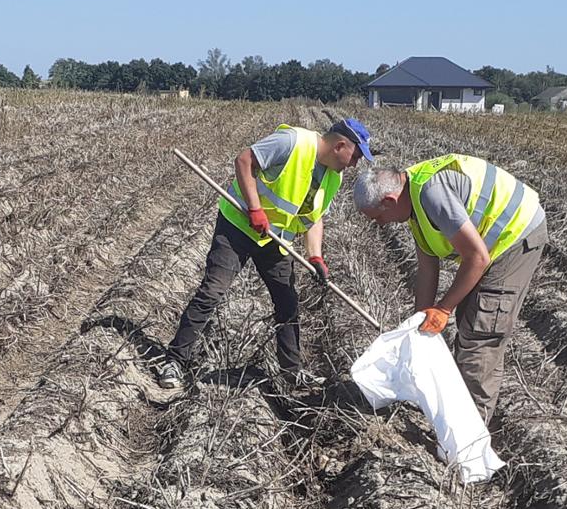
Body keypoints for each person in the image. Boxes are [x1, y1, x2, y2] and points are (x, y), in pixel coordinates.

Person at [155, 118, 374, 390]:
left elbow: (315, 219)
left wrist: (315, 256)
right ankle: (175, 359)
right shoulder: (293, 142)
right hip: (238, 225)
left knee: (288, 304)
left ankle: (292, 374)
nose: (354, 164)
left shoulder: (333, 176)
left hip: (274, 240)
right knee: (212, 291)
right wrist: (255, 208)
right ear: (341, 145)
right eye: (355, 156)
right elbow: (244, 160)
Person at [352, 154, 544, 420]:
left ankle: (470, 439)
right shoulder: (412, 203)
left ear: (389, 201)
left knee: (480, 333)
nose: (379, 224)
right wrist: (420, 323)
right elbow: (427, 269)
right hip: (488, 246)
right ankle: (459, 411)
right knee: (469, 321)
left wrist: (443, 309)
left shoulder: (432, 195)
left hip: (515, 235)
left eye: (377, 218)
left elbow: (477, 258)